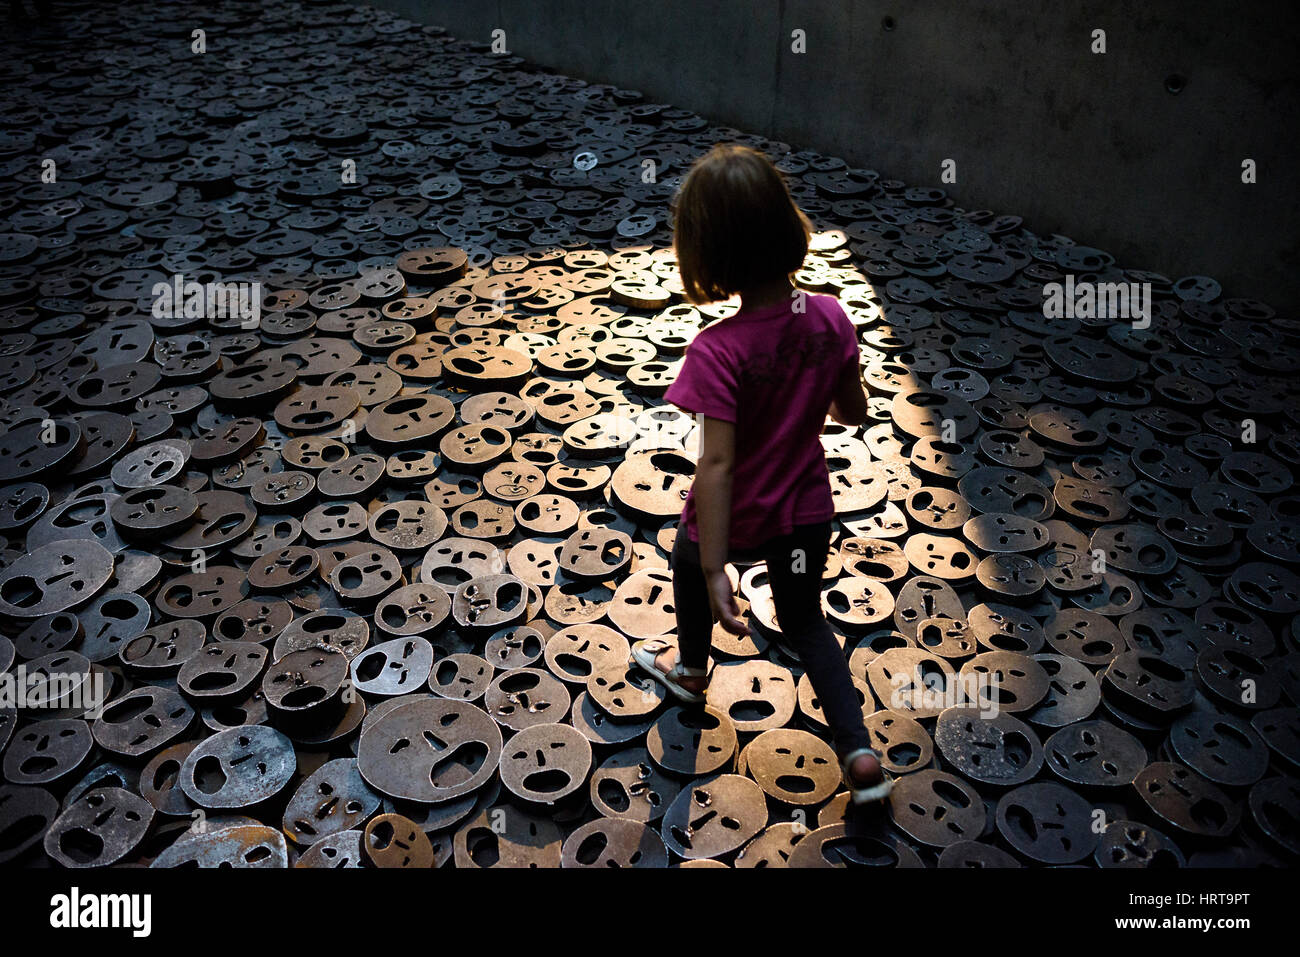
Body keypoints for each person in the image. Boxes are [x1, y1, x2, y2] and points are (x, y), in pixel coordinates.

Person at [629, 143, 892, 803]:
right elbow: (853, 410)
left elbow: (714, 466)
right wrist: (819, 393)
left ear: (709, 257)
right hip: (805, 514)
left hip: (739, 517)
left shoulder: (719, 349)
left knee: (686, 559)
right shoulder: (830, 317)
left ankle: (691, 668)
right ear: (787, 225)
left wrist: (717, 566)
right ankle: (859, 752)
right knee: (806, 622)